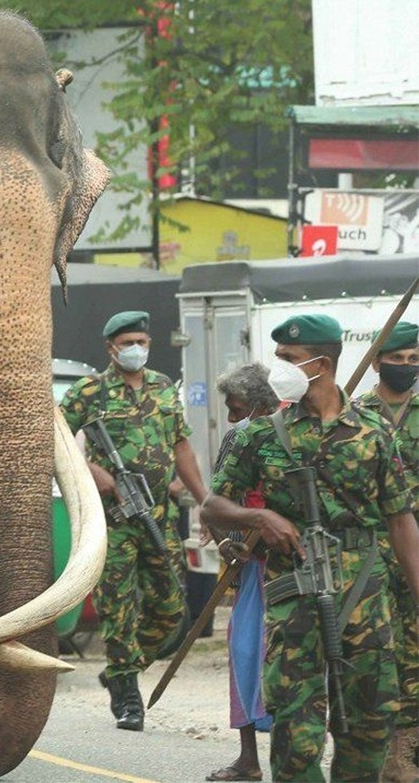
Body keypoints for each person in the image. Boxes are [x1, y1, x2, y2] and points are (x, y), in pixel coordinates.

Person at [203, 314, 419, 782]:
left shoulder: (374, 433)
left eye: (289, 359)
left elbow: (401, 521)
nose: (277, 367)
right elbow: (211, 505)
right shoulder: (261, 435)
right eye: (279, 356)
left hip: (364, 597)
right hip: (294, 598)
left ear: (322, 363)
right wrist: (259, 517)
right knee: (296, 737)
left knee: (367, 725)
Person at [60, 310, 208, 731]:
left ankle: (122, 668)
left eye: (142, 342)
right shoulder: (90, 392)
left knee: (171, 606)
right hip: (113, 521)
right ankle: (127, 696)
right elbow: (55, 439)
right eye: (128, 343)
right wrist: (96, 473)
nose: (136, 350)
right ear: (111, 348)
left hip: (158, 515)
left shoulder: (163, 387)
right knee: (118, 609)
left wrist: (204, 500)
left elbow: (181, 447)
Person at [205, 363, 280, 783]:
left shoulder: (298, 432)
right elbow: (216, 502)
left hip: (293, 567)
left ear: (258, 403)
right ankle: (248, 759)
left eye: (236, 408)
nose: (231, 418)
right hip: (251, 568)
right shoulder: (240, 437)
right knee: (245, 653)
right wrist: (225, 542)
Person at [355, 320, 419, 782]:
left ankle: (407, 753)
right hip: (371, 555)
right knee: (379, 654)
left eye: (413, 359)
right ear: (377, 361)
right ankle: (382, 753)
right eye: (397, 359)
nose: (405, 367)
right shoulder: (357, 414)